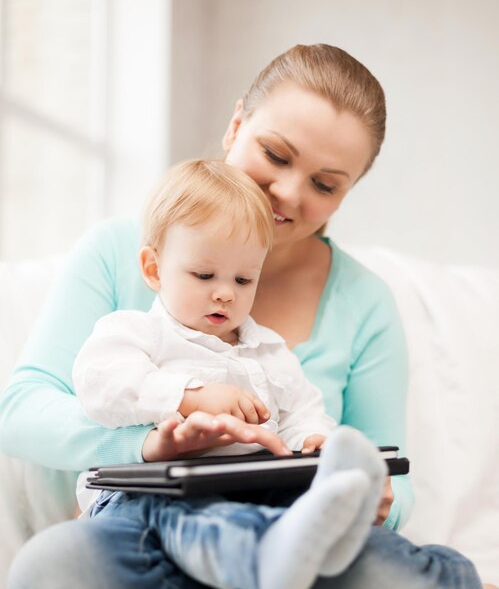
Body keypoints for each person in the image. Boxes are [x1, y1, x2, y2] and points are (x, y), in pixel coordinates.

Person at [1, 44, 483, 588]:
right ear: (236, 126)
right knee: (56, 568)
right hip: (155, 515)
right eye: (276, 155)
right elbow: (23, 410)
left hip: (292, 525)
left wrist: (368, 491)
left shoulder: (363, 303)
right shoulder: (121, 251)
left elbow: (383, 463)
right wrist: (147, 446)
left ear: (348, 192)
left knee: (383, 569)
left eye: (325, 184)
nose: (286, 193)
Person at [71, 158, 387, 589]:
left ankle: (433, 566)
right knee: (185, 514)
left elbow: (302, 411)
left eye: (243, 279)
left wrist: (312, 438)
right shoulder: (139, 333)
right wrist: (189, 396)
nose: (225, 292)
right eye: (204, 275)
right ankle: (262, 558)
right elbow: (99, 383)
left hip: (246, 490)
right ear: (153, 268)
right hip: (147, 494)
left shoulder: (269, 350)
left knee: (302, 504)